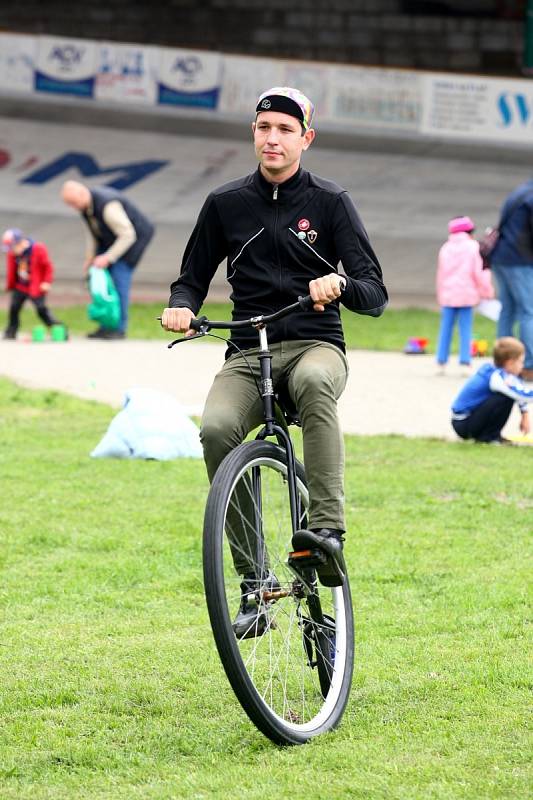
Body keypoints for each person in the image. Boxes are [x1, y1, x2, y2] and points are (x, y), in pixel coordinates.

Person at [161, 86, 387, 630]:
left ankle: (327, 531)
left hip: (315, 343)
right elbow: (190, 280)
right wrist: (180, 307)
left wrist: (339, 283)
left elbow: (374, 294)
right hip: (247, 349)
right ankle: (254, 579)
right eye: (264, 128)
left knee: (313, 382)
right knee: (216, 429)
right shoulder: (225, 204)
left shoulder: (331, 202)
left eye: (286, 130)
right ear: (253, 134)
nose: (273, 139)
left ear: (305, 138)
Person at [61, 180, 154, 339]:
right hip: (111, 240)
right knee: (102, 285)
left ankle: (118, 328)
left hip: (132, 241)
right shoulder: (85, 207)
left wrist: (108, 257)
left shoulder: (107, 205)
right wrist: (90, 258)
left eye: (73, 203)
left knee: (118, 282)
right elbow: (92, 233)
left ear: (82, 193)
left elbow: (128, 234)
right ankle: (106, 326)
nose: (73, 207)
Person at [435, 216, 494, 376]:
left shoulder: (445, 248)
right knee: (465, 328)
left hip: (448, 294)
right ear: (469, 232)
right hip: (466, 294)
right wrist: (486, 290)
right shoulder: (473, 247)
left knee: (445, 327)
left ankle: (441, 361)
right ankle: (465, 362)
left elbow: (441, 273)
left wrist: (440, 293)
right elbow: (480, 272)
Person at [451, 337, 533, 445]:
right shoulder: (496, 377)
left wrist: (525, 414)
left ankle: (492, 436)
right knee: (504, 397)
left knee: (507, 395)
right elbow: (521, 394)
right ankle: (488, 437)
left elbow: (518, 389)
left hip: (468, 420)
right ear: (510, 362)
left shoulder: (500, 372)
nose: (522, 366)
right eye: (521, 362)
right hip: (463, 423)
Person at [490, 180, 533, 381]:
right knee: (528, 311)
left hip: (500, 257)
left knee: (508, 309)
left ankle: (502, 362)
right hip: (519, 260)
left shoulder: (520, 191)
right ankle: (529, 364)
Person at [2, 228, 64, 340]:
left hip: (36, 286)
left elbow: (48, 267)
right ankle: (11, 331)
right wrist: (10, 285)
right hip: (21, 286)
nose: (11, 251)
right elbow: (12, 270)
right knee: (14, 308)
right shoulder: (13, 254)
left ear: (20, 243)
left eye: (12, 248)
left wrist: (46, 282)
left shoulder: (37, 249)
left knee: (41, 309)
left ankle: (58, 328)